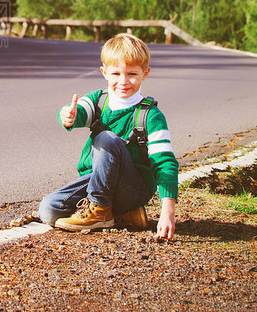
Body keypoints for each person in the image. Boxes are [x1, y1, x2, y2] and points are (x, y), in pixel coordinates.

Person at [38, 33, 178, 239]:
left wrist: (168, 212)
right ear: (104, 72)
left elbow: (165, 163)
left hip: (132, 189)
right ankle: (122, 214)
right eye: (116, 74)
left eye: (131, 73)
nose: (123, 81)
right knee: (48, 210)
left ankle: (103, 211)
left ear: (145, 73)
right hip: (98, 182)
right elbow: (80, 112)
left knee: (105, 139)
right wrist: (67, 115)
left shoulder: (151, 115)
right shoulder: (99, 101)